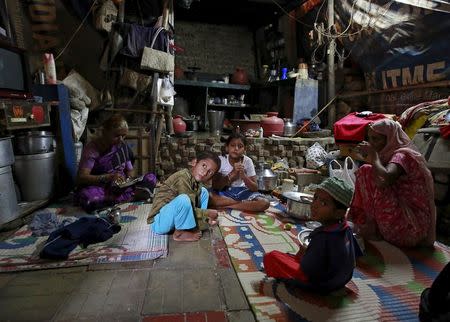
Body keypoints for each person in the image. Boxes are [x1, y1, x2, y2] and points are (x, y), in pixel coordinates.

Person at [348, 119, 436, 247]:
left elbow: (386, 178)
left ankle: (373, 227)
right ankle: (371, 224)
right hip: (404, 221)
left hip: (409, 227)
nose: (371, 143)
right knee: (366, 171)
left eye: (376, 139)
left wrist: (374, 157)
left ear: (390, 139)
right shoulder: (389, 155)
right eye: (370, 139)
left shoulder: (402, 155)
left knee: (368, 172)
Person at [263, 177, 358, 294]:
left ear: (339, 213)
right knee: (290, 256)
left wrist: (304, 253)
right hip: (341, 279)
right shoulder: (346, 228)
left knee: (272, 257)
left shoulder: (322, 237)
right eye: (315, 198)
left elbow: (307, 269)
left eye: (323, 203)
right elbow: (353, 259)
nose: (314, 205)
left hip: (321, 284)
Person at [75, 114, 156, 212]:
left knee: (151, 177)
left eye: (124, 135)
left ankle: (116, 199)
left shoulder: (122, 146)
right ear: (105, 132)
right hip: (102, 187)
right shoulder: (92, 149)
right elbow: (82, 177)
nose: (121, 139)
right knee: (89, 197)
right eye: (117, 135)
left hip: (121, 187)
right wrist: (108, 177)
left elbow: (130, 170)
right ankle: (126, 197)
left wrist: (128, 181)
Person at [148, 151, 221, 242]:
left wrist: (205, 217)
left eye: (210, 172)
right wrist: (206, 213)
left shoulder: (195, 182)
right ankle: (179, 233)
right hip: (159, 222)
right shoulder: (182, 177)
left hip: (173, 219)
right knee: (184, 199)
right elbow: (189, 204)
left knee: (204, 192)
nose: (205, 172)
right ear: (194, 162)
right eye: (204, 166)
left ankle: (200, 222)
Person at [209, 133, 270, 212]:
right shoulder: (220, 160)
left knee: (264, 203)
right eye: (232, 145)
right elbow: (216, 186)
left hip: (242, 192)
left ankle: (229, 205)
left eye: (240, 146)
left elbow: (255, 188)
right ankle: (243, 205)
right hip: (224, 192)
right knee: (209, 197)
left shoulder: (247, 161)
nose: (236, 148)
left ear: (245, 149)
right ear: (227, 148)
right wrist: (232, 173)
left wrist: (244, 176)